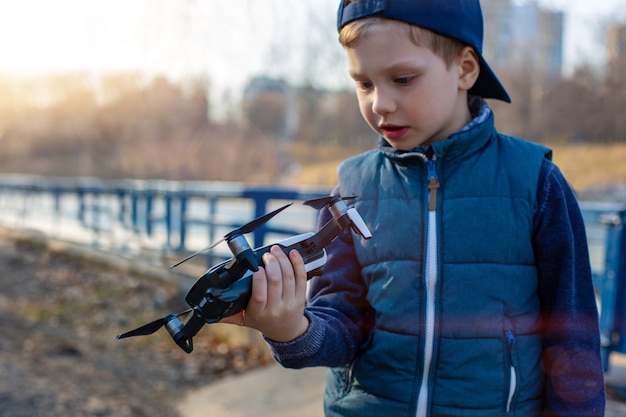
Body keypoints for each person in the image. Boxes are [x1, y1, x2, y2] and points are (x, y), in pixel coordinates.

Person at [222, 0, 606, 415]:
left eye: (402, 79)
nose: (380, 103)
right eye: (364, 84)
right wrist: (291, 329)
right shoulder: (351, 191)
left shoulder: (536, 183)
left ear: (465, 69)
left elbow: (573, 341)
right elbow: (342, 322)